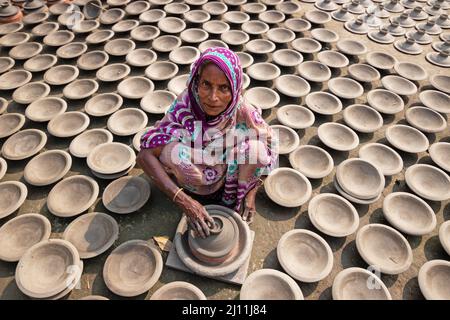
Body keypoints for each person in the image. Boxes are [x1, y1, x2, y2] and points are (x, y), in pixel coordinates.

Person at [137, 47, 277, 239]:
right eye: (206, 85)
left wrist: (252, 191)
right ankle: (196, 194)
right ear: (196, 80)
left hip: (230, 171)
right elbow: (144, 155)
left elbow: (271, 144)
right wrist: (184, 201)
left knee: (257, 150)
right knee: (170, 151)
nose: (213, 97)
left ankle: (232, 195)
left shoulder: (242, 110)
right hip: (194, 176)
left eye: (223, 88)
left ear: (235, 89)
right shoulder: (185, 105)